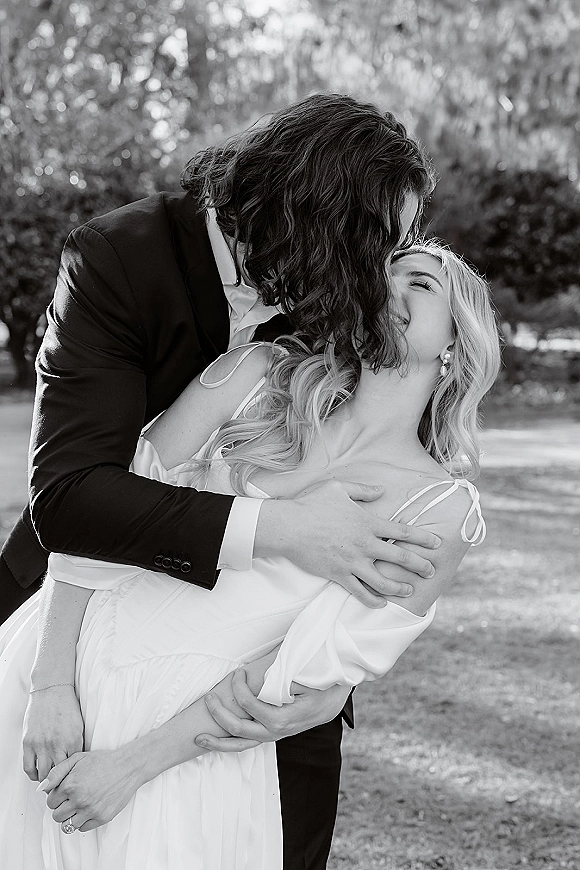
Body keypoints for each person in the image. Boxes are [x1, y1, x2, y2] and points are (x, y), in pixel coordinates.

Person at [0, 94, 440, 869]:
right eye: (384, 239)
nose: (387, 264)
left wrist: (331, 685)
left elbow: (359, 465)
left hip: (256, 675)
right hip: (76, 618)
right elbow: (75, 496)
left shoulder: (330, 302)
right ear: (320, 216)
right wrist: (51, 682)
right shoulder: (115, 260)